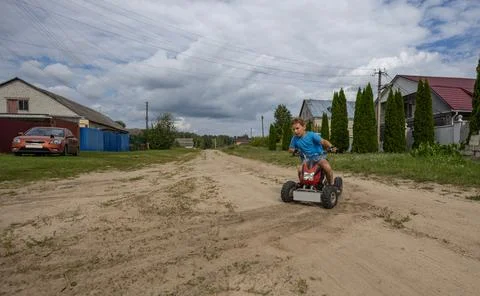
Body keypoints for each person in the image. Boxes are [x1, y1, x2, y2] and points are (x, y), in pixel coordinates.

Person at [288, 118, 336, 185]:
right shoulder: (294, 138)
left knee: (327, 167)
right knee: (300, 170)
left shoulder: (311, 135)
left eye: (297, 128)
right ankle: (303, 184)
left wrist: (331, 146)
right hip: (306, 159)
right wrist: (294, 151)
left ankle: (331, 184)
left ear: (304, 127)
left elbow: (323, 141)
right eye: (294, 129)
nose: (295, 131)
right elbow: (290, 149)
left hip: (319, 157)